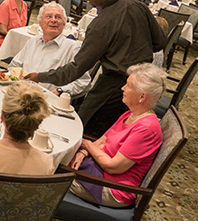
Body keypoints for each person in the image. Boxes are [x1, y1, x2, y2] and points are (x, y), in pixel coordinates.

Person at [23, 0, 166, 138]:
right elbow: (160, 43)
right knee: (118, 133)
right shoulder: (138, 6)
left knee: (82, 127)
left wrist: (39, 76)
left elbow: (76, 69)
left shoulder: (101, 24)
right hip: (144, 88)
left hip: (113, 88)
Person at [67, 63, 165, 208]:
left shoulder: (146, 129)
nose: (122, 88)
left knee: (51, 174)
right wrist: (83, 152)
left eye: (128, 86)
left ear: (142, 96)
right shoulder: (131, 114)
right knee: (59, 161)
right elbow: (102, 142)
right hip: (98, 170)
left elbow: (113, 167)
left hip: (114, 188)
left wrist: (86, 144)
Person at [9, 2, 91, 97]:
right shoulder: (32, 41)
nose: (53, 20)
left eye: (58, 17)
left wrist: (60, 90)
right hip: (21, 93)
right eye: (49, 16)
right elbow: (14, 65)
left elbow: (84, 81)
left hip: (47, 100)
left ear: (64, 24)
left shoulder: (72, 48)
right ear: (40, 23)